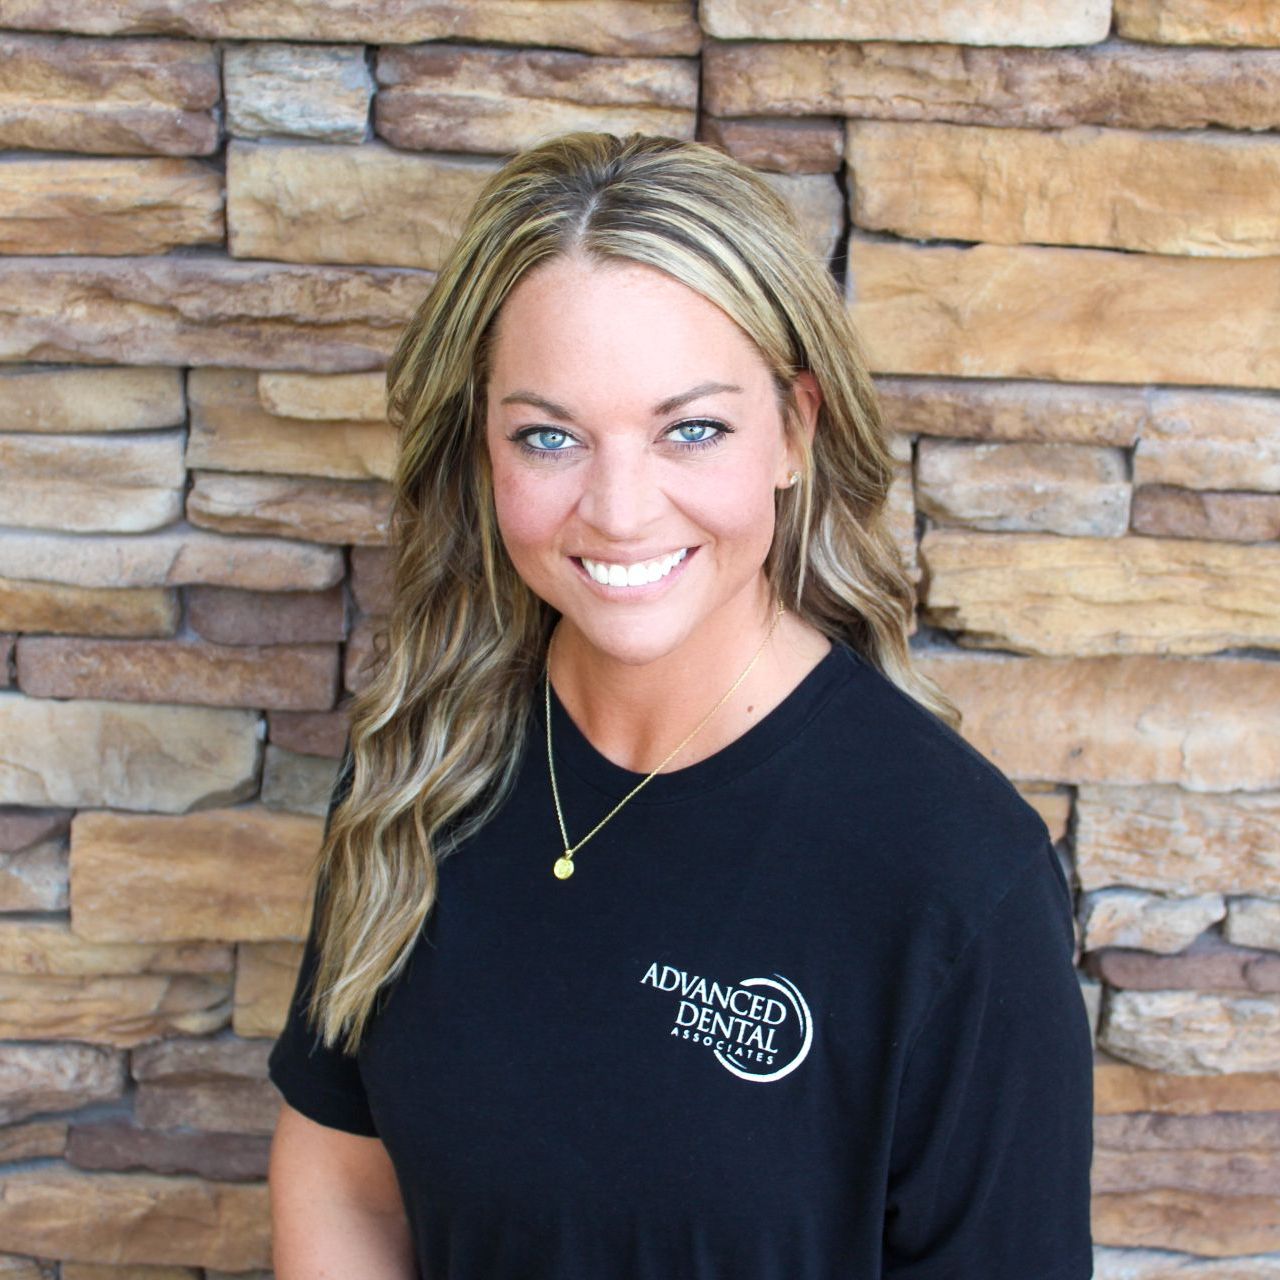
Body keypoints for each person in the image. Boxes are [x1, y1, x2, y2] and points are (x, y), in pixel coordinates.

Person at [267, 131, 1094, 1280]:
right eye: (548, 435)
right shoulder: (423, 762)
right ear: (481, 447)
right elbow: (346, 1187)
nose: (616, 509)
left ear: (793, 432)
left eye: (688, 428)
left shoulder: (954, 874)